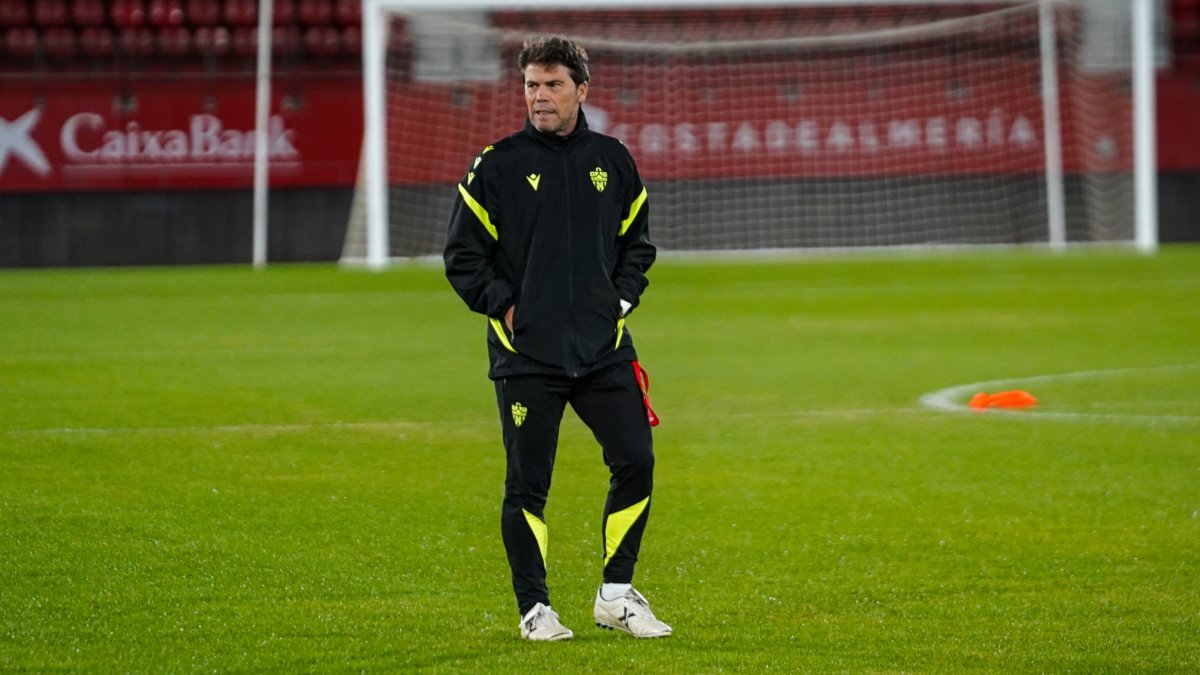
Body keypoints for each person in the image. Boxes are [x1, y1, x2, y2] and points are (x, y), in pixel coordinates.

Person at [443, 36, 670, 641]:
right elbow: (463, 257)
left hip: (602, 350)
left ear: (581, 90)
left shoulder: (613, 160)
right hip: (527, 357)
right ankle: (535, 609)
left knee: (637, 460)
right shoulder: (497, 165)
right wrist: (508, 308)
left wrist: (619, 302)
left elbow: (637, 244)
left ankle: (615, 595)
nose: (539, 96)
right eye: (531, 85)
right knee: (528, 485)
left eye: (552, 85)